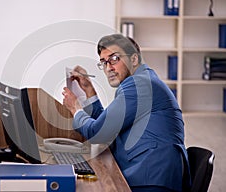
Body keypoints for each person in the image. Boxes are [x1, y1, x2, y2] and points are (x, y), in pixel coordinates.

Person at [62, 34, 191, 192]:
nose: (108, 67)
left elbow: (98, 133)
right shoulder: (142, 81)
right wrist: (89, 90)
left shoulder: (139, 84)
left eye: (114, 58)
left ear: (134, 60)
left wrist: (76, 108)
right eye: (104, 62)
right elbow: (107, 127)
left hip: (153, 179)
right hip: (149, 173)